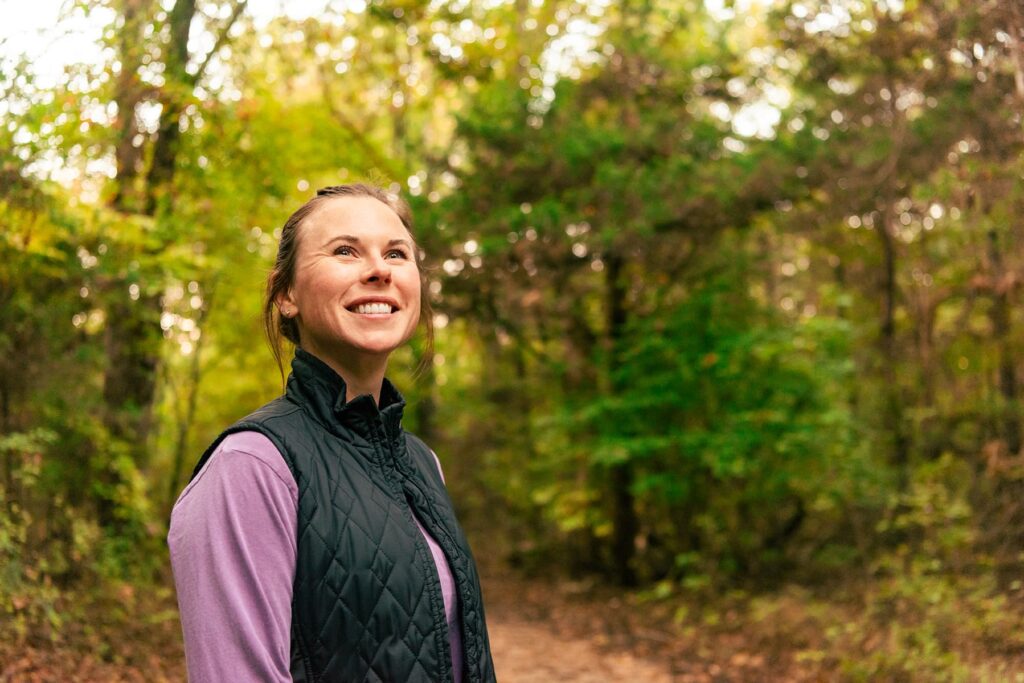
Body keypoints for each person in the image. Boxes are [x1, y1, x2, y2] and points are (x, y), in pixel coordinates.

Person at [168, 184, 496, 683]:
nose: (379, 269)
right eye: (345, 250)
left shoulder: (422, 463)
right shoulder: (252, 467)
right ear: (286, 295)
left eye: (396, 253)